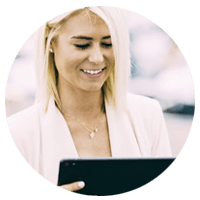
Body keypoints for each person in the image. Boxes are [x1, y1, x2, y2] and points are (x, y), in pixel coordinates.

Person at [6, 6, 172, 192]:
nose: (97, 58)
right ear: (50, 43)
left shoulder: (148, 116)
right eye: (82, 45)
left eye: (108, 44)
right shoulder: (19, 133)